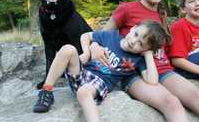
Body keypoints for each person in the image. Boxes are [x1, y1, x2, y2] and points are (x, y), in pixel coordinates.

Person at [90, 0, 199, 121]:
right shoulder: (127, 9)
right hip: (135, 72)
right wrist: (94, 47)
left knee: (196, 96)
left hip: (162, 69)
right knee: (171, 102)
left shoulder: (162, 13)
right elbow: (102, 35)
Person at [33, 21, 169, 122]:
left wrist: (148, 55)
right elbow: (86, 36)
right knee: (67, 49)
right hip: (81, 72)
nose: (134, 41)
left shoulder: (138, 60)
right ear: (133, 28)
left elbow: (152, 80)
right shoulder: (111, 36)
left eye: (141, 44)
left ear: (145, 49)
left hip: (100, 82)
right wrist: (87, 52)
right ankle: (47, 91)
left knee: (83, 92)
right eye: (136, 34)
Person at [169, 0, 199, 78]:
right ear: (183, 9)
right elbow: (176, 60)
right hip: (184, 68)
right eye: (192, 1)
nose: (197, 3)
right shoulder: (179, 27)